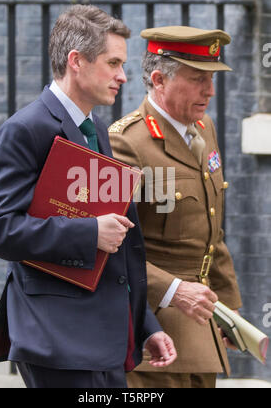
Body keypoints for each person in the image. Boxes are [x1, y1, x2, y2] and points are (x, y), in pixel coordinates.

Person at [0, 6, 177, 389]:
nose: (122, 75)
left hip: (102, 338)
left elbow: (119, 243)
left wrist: (145, 324)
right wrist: (88, 233)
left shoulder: (95, 127)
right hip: (56, 338)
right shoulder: (25, 128)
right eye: (113, 62)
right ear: (77, 61)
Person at [109, 25, 242, 389]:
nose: (210, 91)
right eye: (198, 79)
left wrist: (229, 309)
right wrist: (172, 289)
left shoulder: (204, 127)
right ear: (158, 79)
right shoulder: (124, 143)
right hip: (153, 335)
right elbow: (108, 247)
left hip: (203, 326)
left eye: (211, 78)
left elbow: (211, 229)